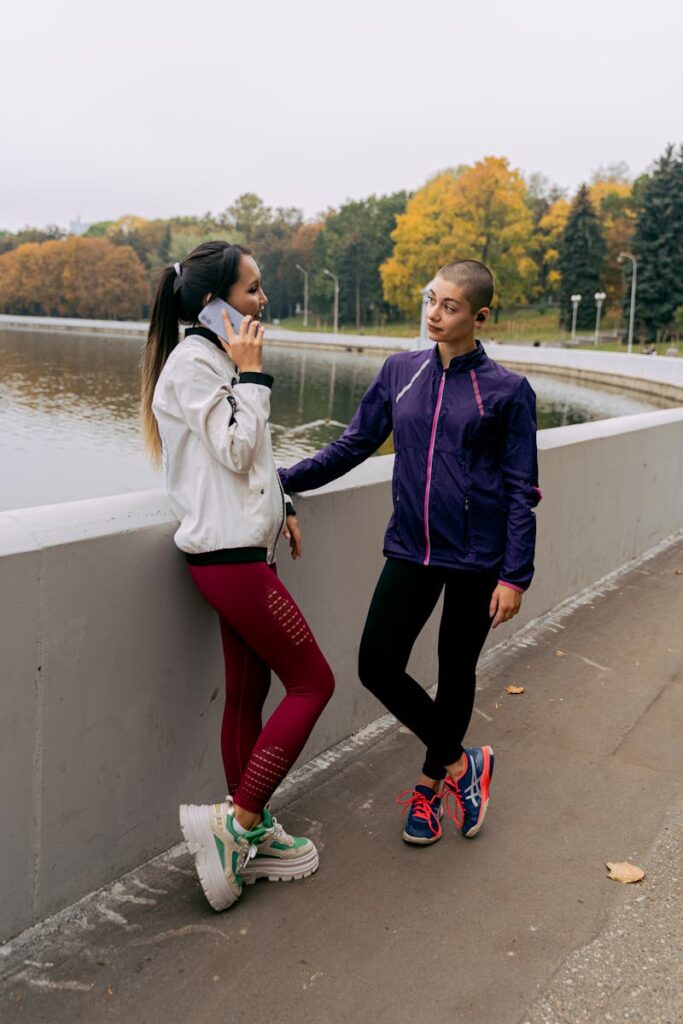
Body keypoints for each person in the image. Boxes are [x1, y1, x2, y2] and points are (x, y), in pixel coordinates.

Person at [279, 260, 540, 846]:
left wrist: (515, 575)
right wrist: (284, 477)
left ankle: (428, 792)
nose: (434, 314)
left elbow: (523, 488)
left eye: (450, 306)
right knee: (376, 664)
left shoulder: (506, 390)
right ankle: (461, 764)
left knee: (455, 672)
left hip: (478, 558)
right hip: (411, 547)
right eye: (431, 300)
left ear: (479, 315)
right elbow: (355, 444)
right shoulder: (400, 372)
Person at [141, 241, 334, 910]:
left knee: (248, 694)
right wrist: (252, 378)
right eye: (251, 289)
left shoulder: (215, 359)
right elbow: (233, 445)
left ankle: (247, 835)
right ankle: (238, 822)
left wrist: (280, 507)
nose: (262, 301)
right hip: (227, 560)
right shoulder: (193, 365)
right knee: (314, 682)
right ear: (211, 303)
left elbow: (246, 464)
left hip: (240, 551)